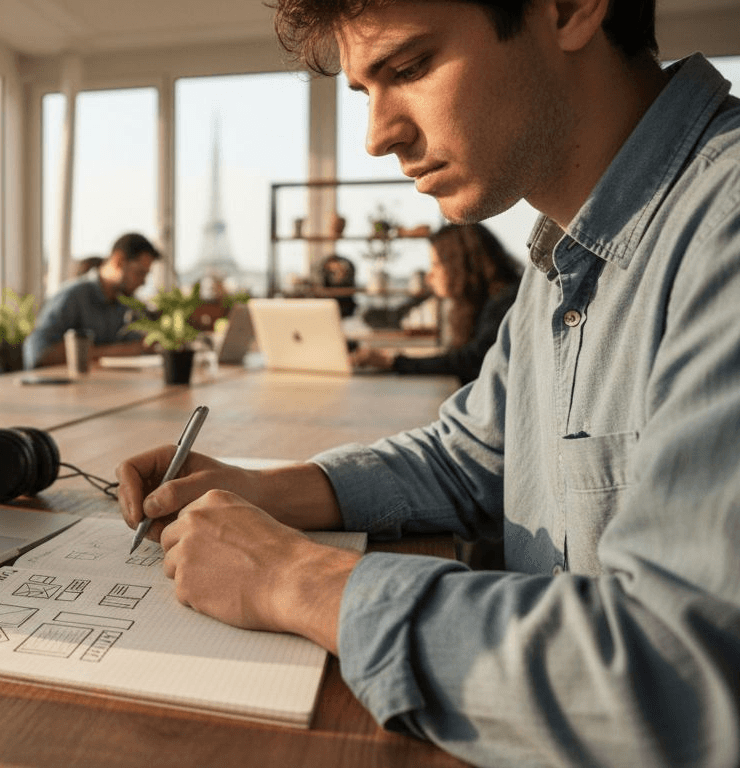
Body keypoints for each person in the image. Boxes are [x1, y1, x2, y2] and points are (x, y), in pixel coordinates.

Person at [116, 1, 740, 766]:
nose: (378, 136)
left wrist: (297, 580)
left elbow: (678, 679)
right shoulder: (564, 258)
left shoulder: (725, 231)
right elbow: (467, 457)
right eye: (364, 93)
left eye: (409, 68)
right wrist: (267, 488)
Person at [352, 223, 523, 385]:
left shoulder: (506, 301)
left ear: (460, 264)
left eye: (435, 264)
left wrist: (395, 362)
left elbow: (472, 360)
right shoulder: (481, 302)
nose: (429, 276)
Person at [22, 233, 160, 369]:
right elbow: (37, 353)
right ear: (119, 260)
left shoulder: (128, 304)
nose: (143, 282)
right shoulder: (73, 296)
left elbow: (141, 346)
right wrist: (121, 351)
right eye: (140, 273)